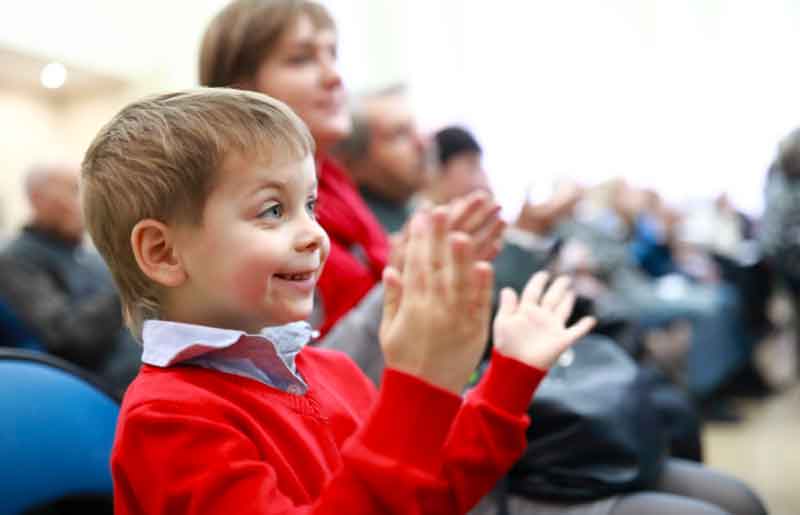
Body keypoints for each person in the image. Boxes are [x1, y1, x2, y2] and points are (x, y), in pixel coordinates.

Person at [83, 88, 596, 514]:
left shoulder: (332, 370)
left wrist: (509, 376)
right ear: (164, 252)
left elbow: (428, 495)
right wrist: (418, 386)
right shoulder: (168, 422)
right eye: (272, 210)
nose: (314, 235)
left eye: (310, 205)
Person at [198, 0, 506, 338]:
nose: (334, 76)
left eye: (333, 55)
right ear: (241, 90)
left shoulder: (335, 184)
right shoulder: (233, 210)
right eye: (301, 58)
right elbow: (291, 372)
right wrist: (406, 281)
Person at [0, 162, 140, 394]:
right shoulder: (16, 261)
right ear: (37, 199)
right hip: (95, 392)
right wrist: (130, 283)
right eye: (75, 191)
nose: (86, 204)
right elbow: (68, 338)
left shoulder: (92, 259)